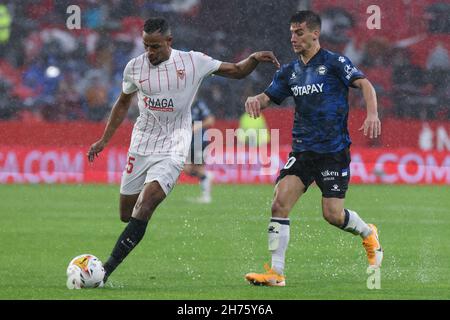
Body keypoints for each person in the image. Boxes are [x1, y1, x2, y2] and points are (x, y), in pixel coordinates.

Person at [87, 17, 280, 285]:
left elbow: (236, 70)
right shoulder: (134, 67)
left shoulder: (192, 61)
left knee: (146, 205)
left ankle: (105, 271)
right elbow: (122, 103)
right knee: (126, 214)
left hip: (175, 144)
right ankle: (130, 233)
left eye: (155, 46)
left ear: (169, 41)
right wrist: (104, 140)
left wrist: (254, 58)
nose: (150, 52)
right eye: (146, 46)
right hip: (142, 143)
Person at [244, 11, 383, 287]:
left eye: (298, 32)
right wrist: (255, 99)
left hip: (333, 151)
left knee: (332, 215)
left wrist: (372, 114)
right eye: (291, 32)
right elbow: (269, 96)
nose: (292, 37)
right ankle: (276, 272)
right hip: (303, 151)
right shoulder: (289, 71)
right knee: (279, 203)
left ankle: (368, 233)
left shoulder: (334, 63)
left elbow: (365, 84)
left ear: (315, 34)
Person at [183, 98, 215, 203]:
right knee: (187, 169)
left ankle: (206, 197)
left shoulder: (198, 104)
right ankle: (206, 177)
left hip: (199, 141)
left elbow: (211, 119)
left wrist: (197, 126)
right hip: (188, 142)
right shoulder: (181, 103)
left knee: (199, 167)